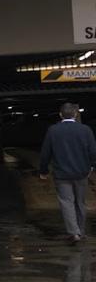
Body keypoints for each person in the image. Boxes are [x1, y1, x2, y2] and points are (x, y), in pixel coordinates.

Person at [39, 102, 96, 244]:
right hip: (82, 173)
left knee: (67, 202)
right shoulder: (85, 130)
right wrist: (92, 167)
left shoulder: (53, 130)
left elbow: (46, 153)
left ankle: (74, 232)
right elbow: (93, 151)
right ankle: (81, 231)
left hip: (61, 174)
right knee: (80, 203)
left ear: (60, 114)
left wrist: (43, 170)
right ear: (76, 114)